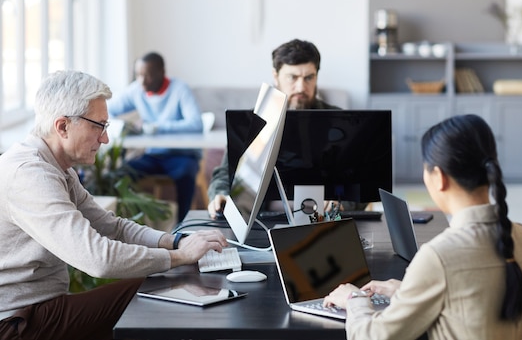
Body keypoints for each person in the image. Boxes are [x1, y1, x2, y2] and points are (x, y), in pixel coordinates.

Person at [0, 70, 227, 340]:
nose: (105, 139)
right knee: (157, 289)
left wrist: (175, 242)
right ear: (62, 127)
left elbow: (112, 227)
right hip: (19, 321)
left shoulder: (57, 166)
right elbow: (98, 259)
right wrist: (180, 258)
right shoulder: (30, 175)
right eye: (99, 126)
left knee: (163, 281)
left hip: (42, 306)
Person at [323, 114, 522, 340]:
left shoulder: (439, 256)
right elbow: (475, 303)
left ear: (438, 177)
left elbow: (373, 337)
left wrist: (354, 299)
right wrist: (408, 292)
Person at [207, 38, 342, 218]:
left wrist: (341, 202)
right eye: (292, 77)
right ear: (275, 75)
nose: (301, 87)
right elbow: (225, 173)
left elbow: (358, 180)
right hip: (261, 218)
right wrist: (220, 195)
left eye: (309, 77)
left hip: (322, 218)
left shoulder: (338, 119)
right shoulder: (253, 122)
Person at [108, 51, 203, 223]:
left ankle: (183, 225)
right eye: (139, 75)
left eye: (148, 75)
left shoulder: (180, 89)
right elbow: (108, 110)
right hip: (153, 156)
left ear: (161, 72)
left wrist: (157, 127)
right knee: (121, 173)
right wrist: (123, 127)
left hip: (181, 156)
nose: (143, 81)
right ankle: (127, 223)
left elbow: (196, 123)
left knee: (185, 174)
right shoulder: (137, 90)